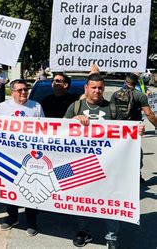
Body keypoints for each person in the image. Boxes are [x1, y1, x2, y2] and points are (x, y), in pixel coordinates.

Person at [64, 73, 144, 248]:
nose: (97, 91)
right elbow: (60, 132)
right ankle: (84, 232)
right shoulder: (75, 107)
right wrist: (73, 120)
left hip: (109, 165)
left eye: (100, 87)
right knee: (81, 199)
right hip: (83, 164)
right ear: (86, 88)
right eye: (93, 87)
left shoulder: (112, 108)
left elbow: (126, 131)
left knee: (111, 200)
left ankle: (111, 237)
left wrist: (137, 131)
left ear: (104, 89)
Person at [0, 79, 43, 236]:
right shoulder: (3, 107)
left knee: (31, 189)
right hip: (11, 156)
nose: (23, 92)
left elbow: (44, 128)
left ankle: (32, 221)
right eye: (19, 90)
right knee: (12, 188)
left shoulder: (36, 106)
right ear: (12, 92)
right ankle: (12, 217)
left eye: (25, 89)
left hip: (30, 157)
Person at [110, 73, 157, 183]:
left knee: (117, 152)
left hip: (117, 128)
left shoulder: (115, 94)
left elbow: (111, 112)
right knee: (136, 153)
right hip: (133, 130)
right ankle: (137, 176)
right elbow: (149, 114)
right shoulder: (140, 95)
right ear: (136, 83)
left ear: (125, 82)